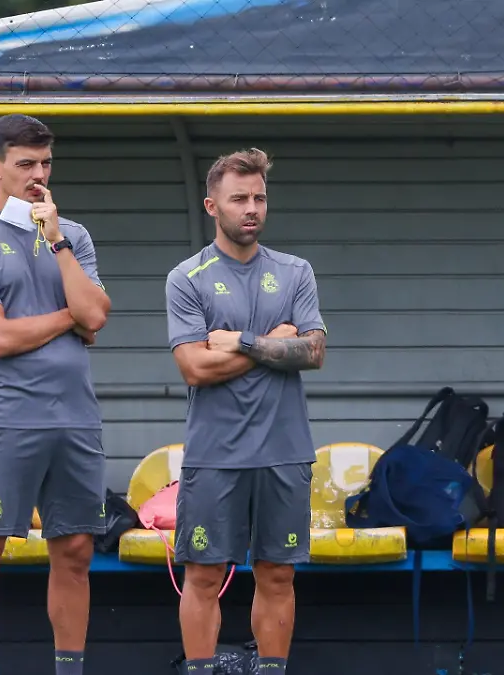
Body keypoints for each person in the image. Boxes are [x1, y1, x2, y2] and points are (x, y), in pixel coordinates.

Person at [0, 113, 111, 675]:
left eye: (45, 164)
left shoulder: (74, 236)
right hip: (6, 421)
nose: (38, 176)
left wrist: (56, 238)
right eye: (25, 165)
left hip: (75, 422)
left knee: (76, 554)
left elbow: (99, 317)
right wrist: (69, 318)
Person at [164, 147, 326, 674]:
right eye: (239, 199)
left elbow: (314, 352)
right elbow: (194, 368)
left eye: (259, 198)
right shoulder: (186, 278)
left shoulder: (295, 272)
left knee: (277, 575)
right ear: (212, 206)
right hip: (215, 456)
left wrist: (241, 342)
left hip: (284, 453)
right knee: (204, 578)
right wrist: (275, 345)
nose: (251, 208)